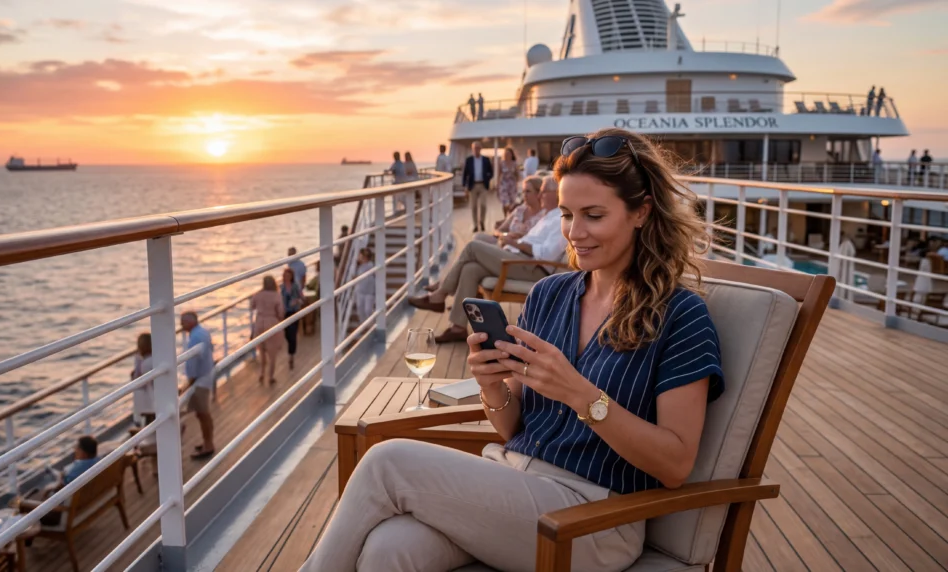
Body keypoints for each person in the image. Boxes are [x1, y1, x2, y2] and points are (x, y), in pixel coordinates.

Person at [301, 127, 724, 572]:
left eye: (594, 215)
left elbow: (675, 464)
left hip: (595, 518)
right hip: (513, 480)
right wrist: (491, 386)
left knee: (387, 461)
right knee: (390, 547)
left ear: (640, 212)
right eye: (566, 214)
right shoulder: (549, 295)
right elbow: (511, 427)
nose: (574, 233)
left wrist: (580, 394)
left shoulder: (681, 316)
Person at [409, 176, 565, 343]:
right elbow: (530, 240)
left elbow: (547, 254)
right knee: (471, 269)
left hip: (531, 268)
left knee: (473, 247)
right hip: (518, 259)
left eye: (543, 192)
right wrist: (514, 240)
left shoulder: (560, 219)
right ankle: (458, 328)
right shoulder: (548, 216)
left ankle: (440, 295)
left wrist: (516, 243)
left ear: (556, 194)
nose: (539, 195)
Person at [473, 175, 545, 245]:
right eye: (523, 191)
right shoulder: (520, 210)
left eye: (528, 191)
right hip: (505, 242)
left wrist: (519, 236)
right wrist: (505, 235)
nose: (524, 195)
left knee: (476, 248)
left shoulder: (544, 215)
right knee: (477, 237)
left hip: (519, 249)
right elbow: (499, 230)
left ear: (538, 193)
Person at [182, 312, 215, 459]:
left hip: (200, 380)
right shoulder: (203, 332)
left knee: (203, 414)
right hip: (206, 376)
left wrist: (190, 381)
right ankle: (208, 442)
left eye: (183, 322)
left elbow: (193, 361)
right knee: (202, 414)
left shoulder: (194, 338)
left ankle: (208, 445)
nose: (181, 325)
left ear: (190, 322)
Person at [251, 275, 285, 385]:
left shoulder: (258, 294)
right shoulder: (277, 295)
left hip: (260, 321)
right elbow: (281, 312)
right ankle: (270, 376)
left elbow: (252, 306)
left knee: (262, 351)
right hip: (271, 322)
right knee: (272, 352)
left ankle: (261, 373)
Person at [462, 141, 493, 232]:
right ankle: (475, 225)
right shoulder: (469, 160)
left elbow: (491, 172)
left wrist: (487, 178)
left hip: (483, 185)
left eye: (478, 148)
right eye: (475, 148)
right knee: (474, 206)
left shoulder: (486, 160)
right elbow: (465, 174)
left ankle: (482, 222)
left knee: (483, 205)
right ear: (472, 149)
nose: (476, 150)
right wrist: (465, 186)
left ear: (480, 149)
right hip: (473, 185)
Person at [281, 268, 304, 369]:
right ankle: (291, 351)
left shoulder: (295, 286)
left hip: (294, 312)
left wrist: (298, 301)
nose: (287, 277)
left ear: (291, 276)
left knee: (293, 334)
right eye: (285, 275)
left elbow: (302, 297)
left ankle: (291, 356)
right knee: (287, 334)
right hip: (285, 313)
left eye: (288, 275)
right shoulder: (281, 287)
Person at [131, 333, 155, 426]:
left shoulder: (145, 363)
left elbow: (140, 383)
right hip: (155, 398)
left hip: (150, 401)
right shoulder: (155, 358)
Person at [354, 248, 376, 322]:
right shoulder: (358, 266)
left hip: (369, 292)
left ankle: (372, 324)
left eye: (362, 256)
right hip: (360, 291)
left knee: (368, 310)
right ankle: (363, 325)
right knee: (360, 310)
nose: (360, 258)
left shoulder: (371, 265)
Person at [497, 147, 519, 217]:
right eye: (506, 154)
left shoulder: (514, 163)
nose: (507, 155)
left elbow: (517, 174)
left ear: (512, 155)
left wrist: (516, 183)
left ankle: (510, 217)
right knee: (505, 202)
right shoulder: (501, 163)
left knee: (512, 203)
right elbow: (498, 175)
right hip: (503, 184)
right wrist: (497, 186)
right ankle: (505, 216)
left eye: (509, 154)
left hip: (512, 185)